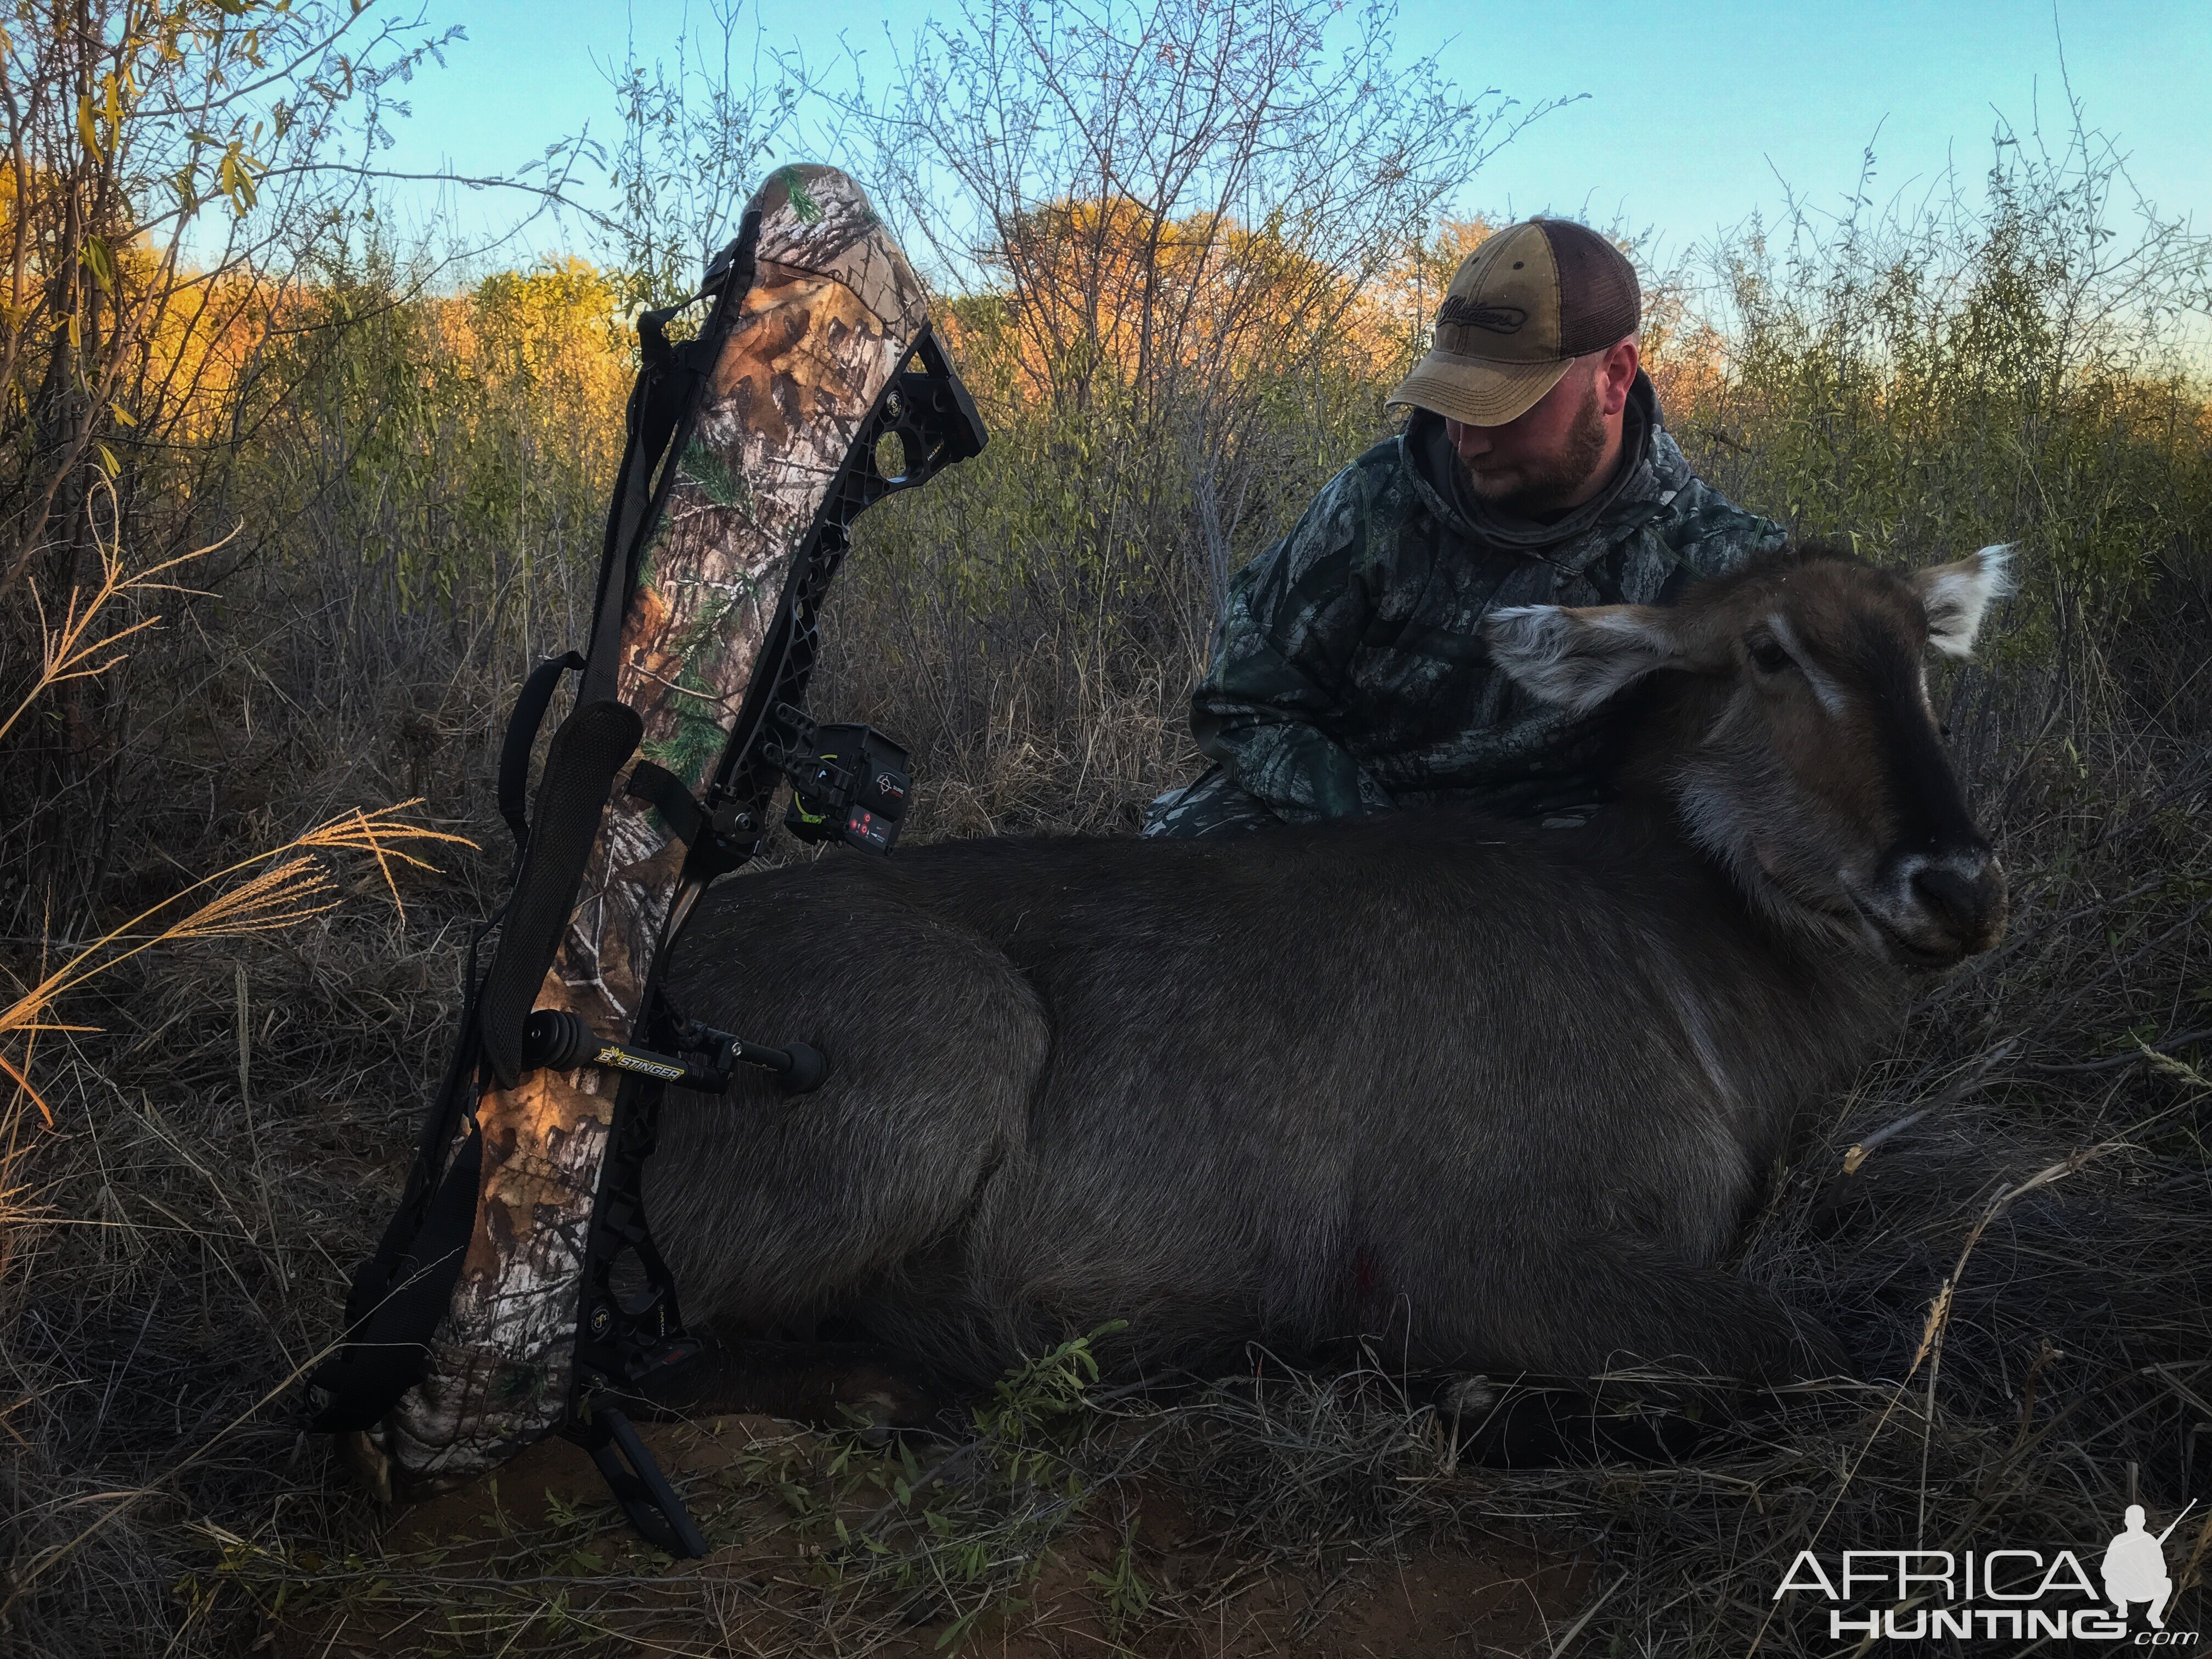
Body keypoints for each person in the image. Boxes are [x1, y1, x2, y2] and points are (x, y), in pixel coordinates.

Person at [1143, 217, 1786, 838]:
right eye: (1450, 399)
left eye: (1502, 406)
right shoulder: (1372, 505)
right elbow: (1245, 705)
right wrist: (1399, 850)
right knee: (1183, 850)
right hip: (1357, 828)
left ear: (1613, 378)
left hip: (1562, 864)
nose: (1465, 440)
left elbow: (1761, 784)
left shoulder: (1728, 564)